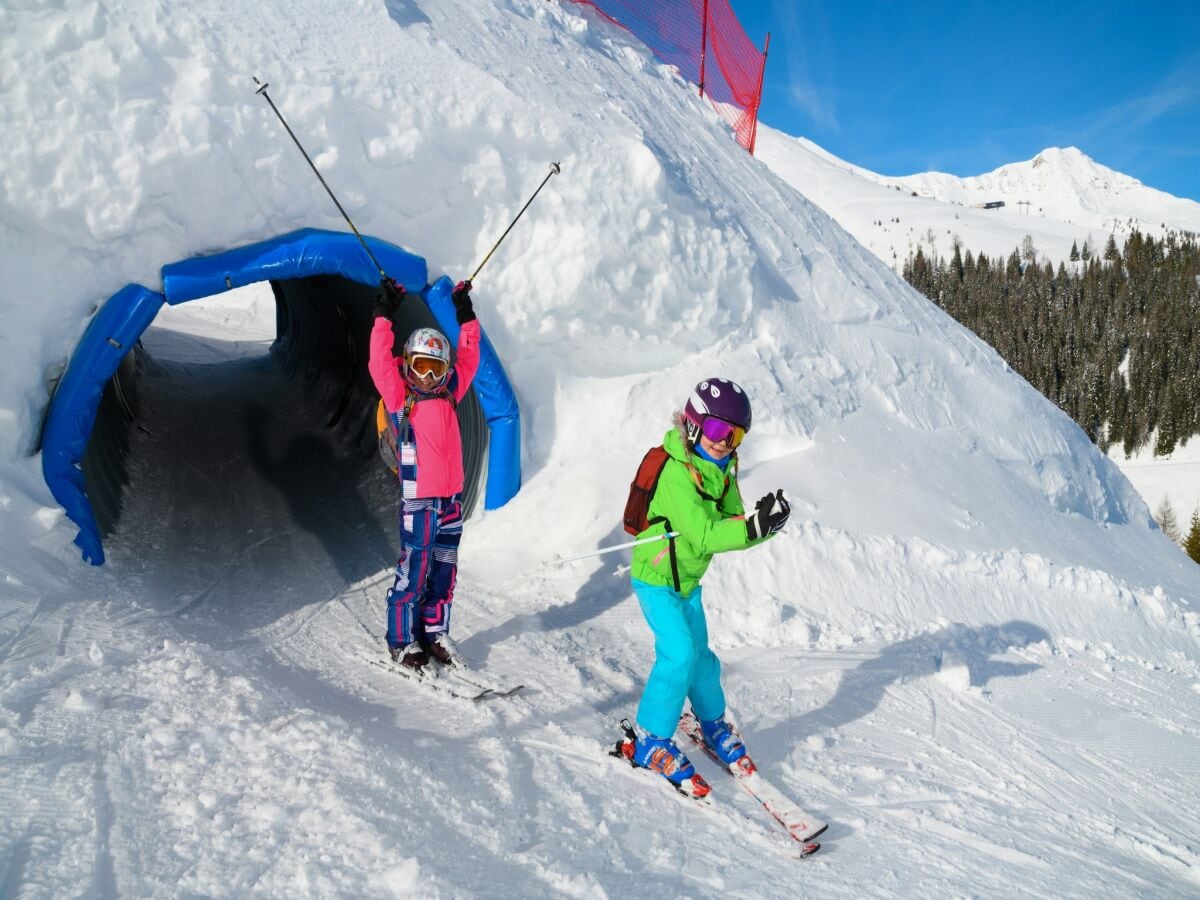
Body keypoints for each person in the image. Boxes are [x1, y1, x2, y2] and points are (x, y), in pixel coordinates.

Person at [615, 378, 791, 796]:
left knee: (702, 660)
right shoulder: (677, 474)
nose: (725, 443)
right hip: (656, 580)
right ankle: (650, 740)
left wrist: (761, 523)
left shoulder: (723, 467)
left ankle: (712, 723)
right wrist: (752, 527)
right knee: (677, 654)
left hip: (687, 582)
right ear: (693, 426)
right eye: (717, 432)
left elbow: (732, 520)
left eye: (736, 435)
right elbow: (706, 535)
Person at [367, 277, 480, 669]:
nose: (429, 377)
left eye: (436, 369)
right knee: (413, 569)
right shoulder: (402, 396)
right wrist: (385, 315)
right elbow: (378, 362)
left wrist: (466, 317)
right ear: (409, 364)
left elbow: (470, 359)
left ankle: (433, 631)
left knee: (444, 571)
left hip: (451, 499)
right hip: (419, 500)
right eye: (421, 367)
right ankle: (401, 639)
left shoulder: (450, 391)